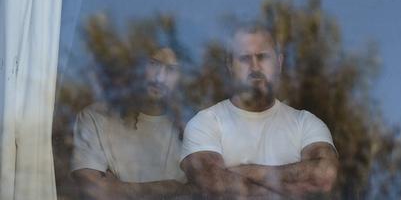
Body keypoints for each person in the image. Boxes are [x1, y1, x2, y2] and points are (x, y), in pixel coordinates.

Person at [180, 22, 338, 199]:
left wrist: (245, 171)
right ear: (230, 65)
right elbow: (214, 186)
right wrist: (290, 186)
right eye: (245, 58)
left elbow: (325, 177)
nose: (255, 67)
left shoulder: (306, 123)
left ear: (279, 62)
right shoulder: (205, 122)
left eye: (262, 57)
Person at [71, 47, 193, 199]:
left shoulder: (191, 128)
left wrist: (120, 188)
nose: (159, 78)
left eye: (170, 69)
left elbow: (208, 189)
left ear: (181, 77)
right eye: (153, 64)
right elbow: (94, 190)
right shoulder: (97, 117)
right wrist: (171, 187)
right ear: (137, 66)